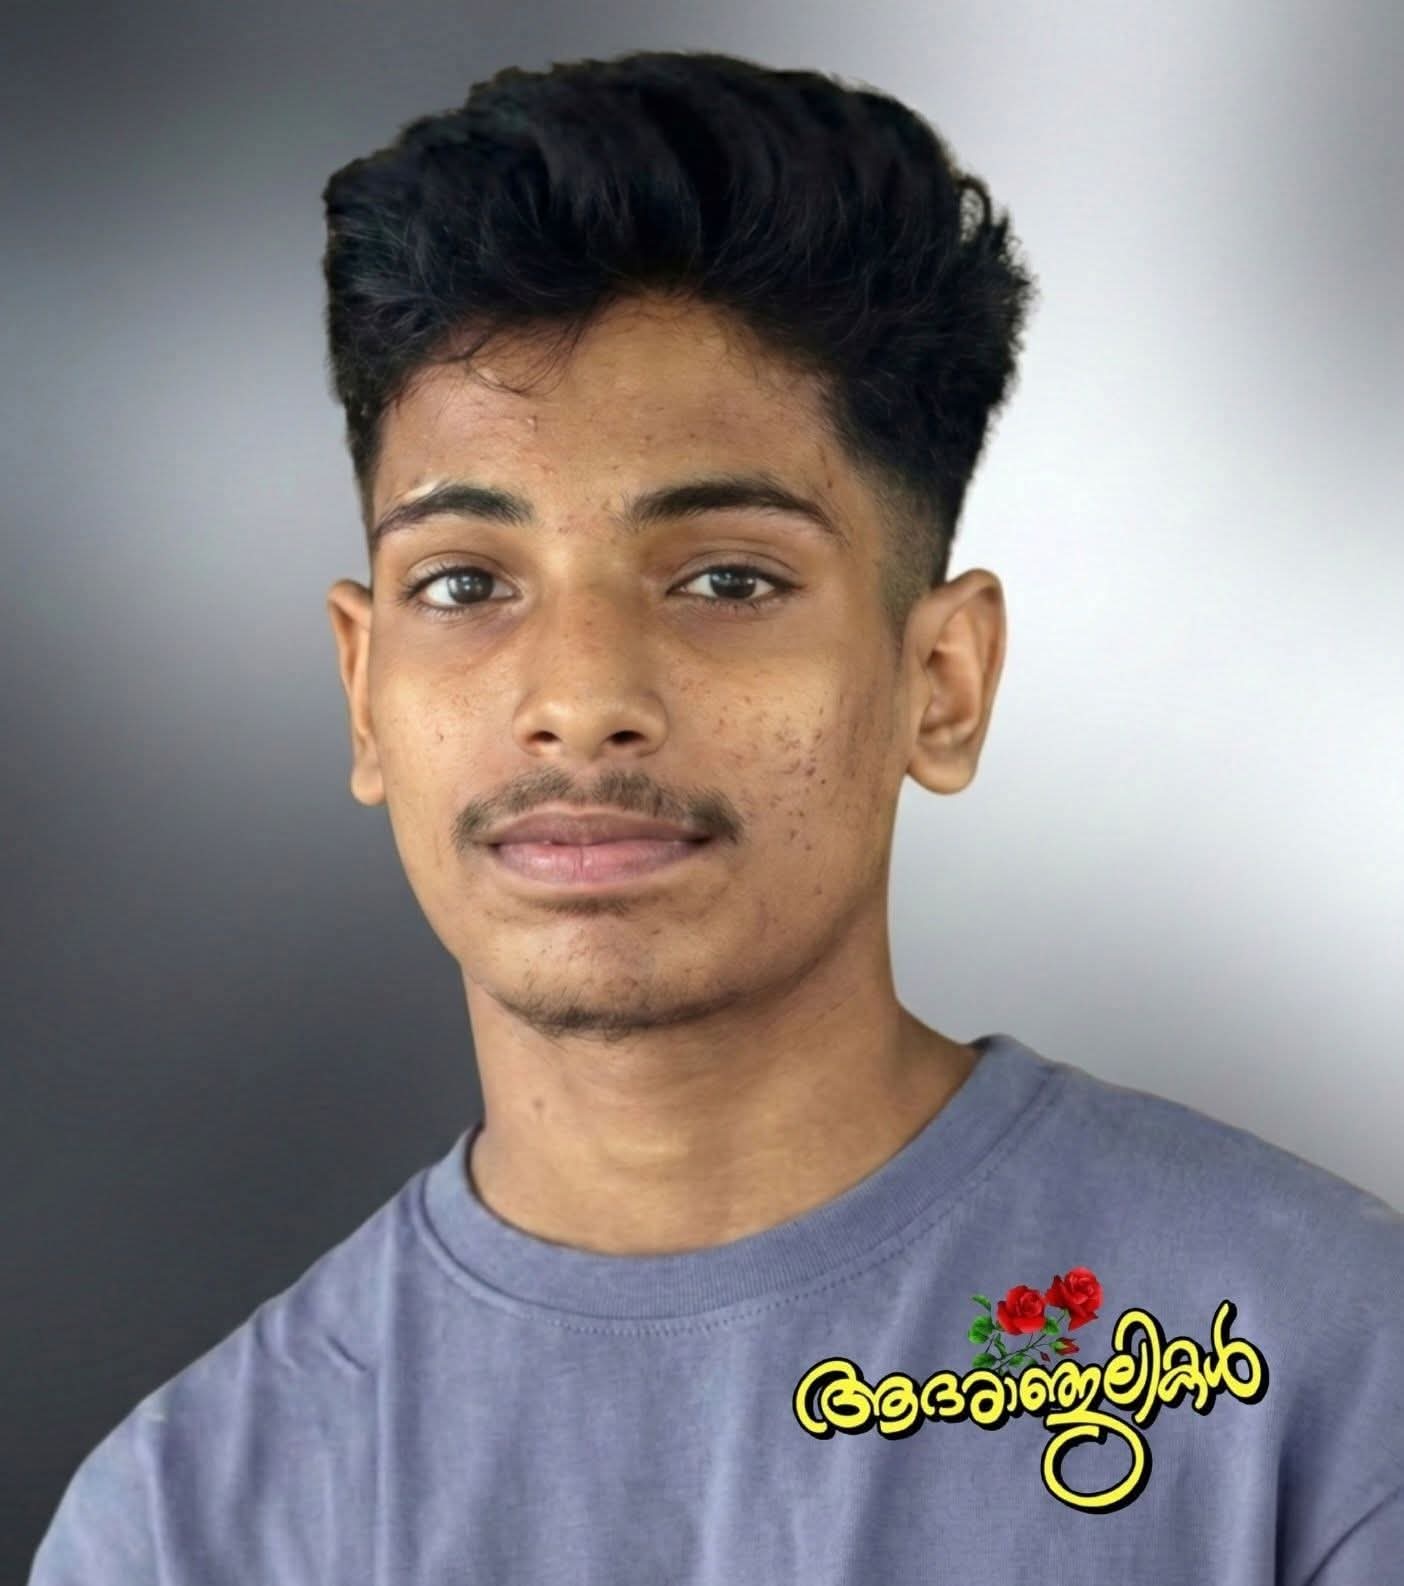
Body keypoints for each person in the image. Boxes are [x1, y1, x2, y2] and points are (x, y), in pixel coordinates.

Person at [30, 47, 1402, 1585]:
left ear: (942, 682)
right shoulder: (189, 1525)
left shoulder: (1316, 1372)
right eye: (465, 583)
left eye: (727, 579)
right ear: (363, 689)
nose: (579, 697)